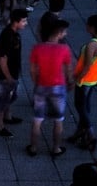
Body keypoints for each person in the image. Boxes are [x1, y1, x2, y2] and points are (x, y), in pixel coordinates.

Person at [27, 18, 74, 157]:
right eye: (64, 32)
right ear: (59, 33)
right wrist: (70, 82)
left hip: (42, 86)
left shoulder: (37, 48)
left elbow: (32, 70)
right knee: (58, 120)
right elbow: (68, 70)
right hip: (58, 88)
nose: (65, 34)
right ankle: (56, 148)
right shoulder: (64, 49)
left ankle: (33, 147)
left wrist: (37, 82)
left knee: (37, 119)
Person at [68, 14, 97, 151]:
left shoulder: (92, 45)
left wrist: (77, 79)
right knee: (85, 105)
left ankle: (91, 134)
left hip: (85, 80)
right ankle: (79, 132)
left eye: (87, 24)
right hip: (94, 78)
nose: (85, 26)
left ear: (92, 27)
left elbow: (86, 66)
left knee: (80, 106)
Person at [0, 9, 28, 137]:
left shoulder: (14, 34)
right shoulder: (8, 36)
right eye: (23, 21)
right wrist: (9, 78)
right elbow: (2, 59)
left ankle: (8, 116)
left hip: (12, 74)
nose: (26, 23)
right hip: (6, 76)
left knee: (10, 96)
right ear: (15, 22)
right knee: (2, 100)